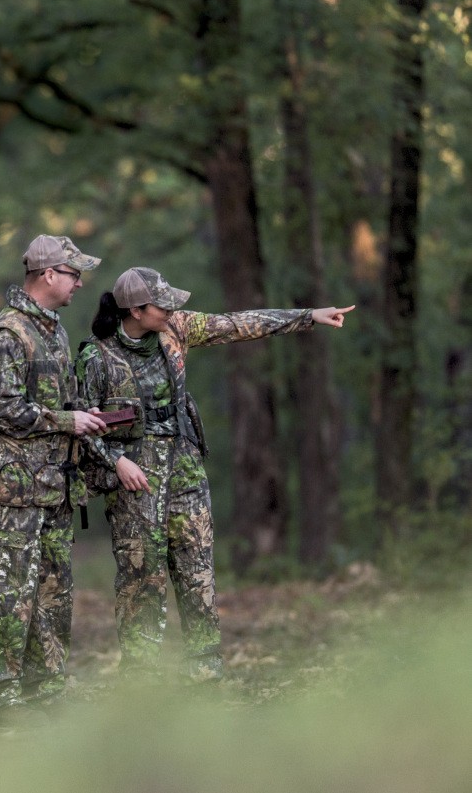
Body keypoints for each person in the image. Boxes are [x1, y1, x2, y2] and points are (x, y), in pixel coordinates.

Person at [75, 266, 354, 680]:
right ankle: (141, 682)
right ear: (136, 310)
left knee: (197, 572)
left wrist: (309, 316)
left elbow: (237, 324)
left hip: (185, 471)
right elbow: (80, 425)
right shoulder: (97, 357)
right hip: (135, 480)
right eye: (162, 305)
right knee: (140, 578)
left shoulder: (176, 329)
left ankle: (205, 672)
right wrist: (116, 461)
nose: (171, 310)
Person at [0, 234, 109, 712]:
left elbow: (56, 401)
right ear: (48, 274)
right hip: (13, 491)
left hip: (53, 486)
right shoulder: (10, 334)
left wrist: (84, 415)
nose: (79, 284)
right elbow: (2, 409)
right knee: (8, 593)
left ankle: (44, 691)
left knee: (52, 593)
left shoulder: (54, 331)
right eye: (73, 274)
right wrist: (67, 421)